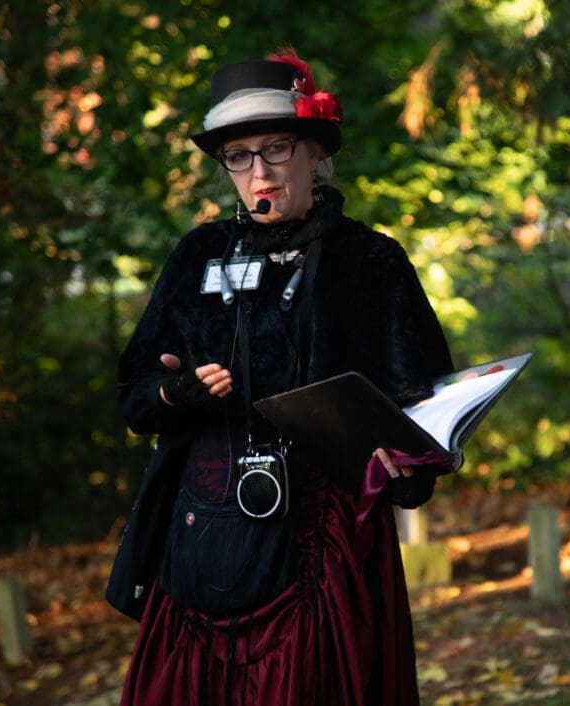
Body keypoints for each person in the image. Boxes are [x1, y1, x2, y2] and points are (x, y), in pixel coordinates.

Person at [106, 47, 454, 706]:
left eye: (277, 149)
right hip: (200, 539)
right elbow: (135, 394)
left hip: (326, 547)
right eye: (238, 156)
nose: (259, 172)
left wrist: (404, 457)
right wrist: (172, 391)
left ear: (314, 152)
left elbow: (425, 406)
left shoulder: (371, 263)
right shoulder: (197, 257)